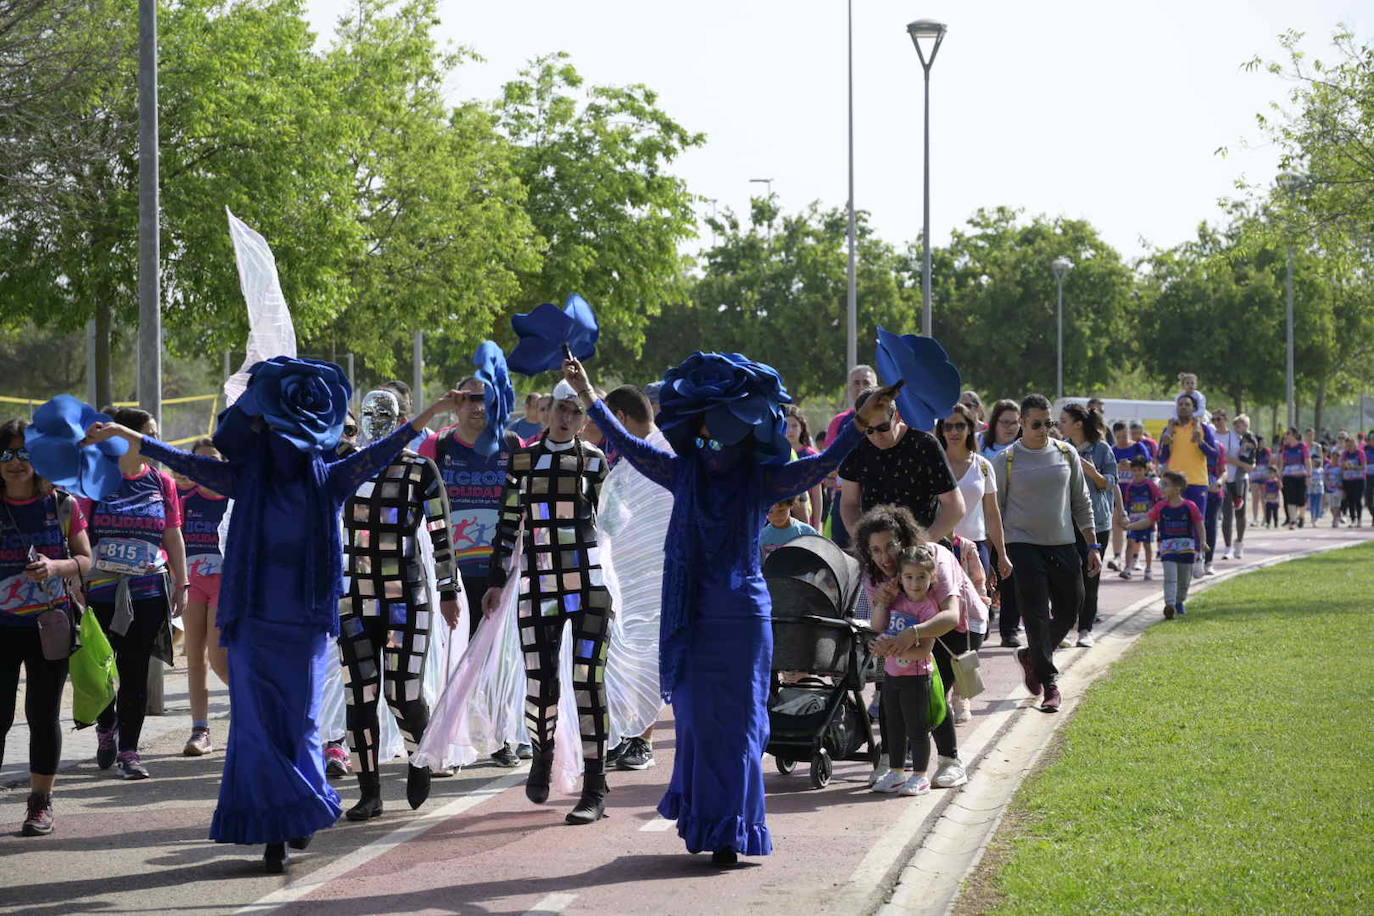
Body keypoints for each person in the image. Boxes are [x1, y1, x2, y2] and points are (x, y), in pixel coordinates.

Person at [86, 360, 462, 873]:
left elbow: (379, 453)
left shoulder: (329, 479)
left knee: (301, 722)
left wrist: (429, 416)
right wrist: (132, 435)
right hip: (250, 621)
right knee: (256, 727)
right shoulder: (246, 479)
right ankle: (274, 829)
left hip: (304, 623)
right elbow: (186, 462)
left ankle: (298, 808)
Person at [566, 352, 893, 866]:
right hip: (693, 616)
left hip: (742, 619)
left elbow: (821, 464)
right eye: (706, 435)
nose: (715, 447)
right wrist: (588, 395)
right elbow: (626, 441)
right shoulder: (681, 473)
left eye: (726, 435)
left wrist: (859, 422)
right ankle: (707, 824)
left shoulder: (759, 482)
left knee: (741, 728)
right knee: (697, 724)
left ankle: (734, 829)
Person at [480, 381, 615, 826]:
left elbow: (612, 522)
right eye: (561, 409)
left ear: (584, 417)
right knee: (540, 682)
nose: (567, 417)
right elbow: (508, 521)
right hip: (538, 583)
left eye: (576, 411)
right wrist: (497, 581)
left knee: (588, 681)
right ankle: (543, 753)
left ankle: (595, 785)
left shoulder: (596, 462)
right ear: (547, 411)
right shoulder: (524, 459)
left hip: (590, 583)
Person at [339, 387, 461, 821]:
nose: (375, 419)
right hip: (353, 598)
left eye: (384, 412)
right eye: (367, 412)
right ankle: (369, 792)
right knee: (360, 697)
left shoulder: (420, 470)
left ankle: (419, 756)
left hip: (405, 598)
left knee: (402, 694)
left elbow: (443, 532)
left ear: (403, 418)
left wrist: (449, 591)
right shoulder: (344, 467)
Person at [79, 406, 188, 780]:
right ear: (124, 436)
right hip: (101, 592)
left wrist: (182, 583)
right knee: (100, 671)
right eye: (149, 433)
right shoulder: (95, 479)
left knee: (135, 669)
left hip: (148, 590)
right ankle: (106, 724)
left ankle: (129, 750)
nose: (155, 441)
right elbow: (77, 535)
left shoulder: (163, 482)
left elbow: (172, 534)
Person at [0, 419, 92, 836]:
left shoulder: (62, 504)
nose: (15, 462)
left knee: (42, 714)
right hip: (2, 627)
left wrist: (56, 566)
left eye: (23, 453)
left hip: (50, 624)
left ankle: (40, 802)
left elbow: (87, 560)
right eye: (5, 454)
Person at [853, 505, 977, 784]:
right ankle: (892, 764)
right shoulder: (873, 575)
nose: (884, 557)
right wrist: (884, 609)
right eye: (875, 550)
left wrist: (914, 634)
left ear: (904, 541)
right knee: (891, 695)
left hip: (952, 631)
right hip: (906, 637)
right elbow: (879, 625)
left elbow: (951, 616)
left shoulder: (932, 560)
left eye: (890, 546)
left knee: (933, 696)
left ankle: (950, 761)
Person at [991, 394, 1099, 714]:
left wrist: (1092, 544)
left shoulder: (1067, 453)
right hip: (1022, 545)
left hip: (1064, 543)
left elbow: (1081, 502)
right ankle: (1050, 683)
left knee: (1071, 608)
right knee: (1036, 613)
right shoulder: (1006, 460)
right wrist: (1000, 553)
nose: (1043, 429)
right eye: (1036, 424)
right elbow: (995, 510)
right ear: (1022, 423)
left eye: (1048, 423)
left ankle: (1032, 656)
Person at [599, 385, 673, 773]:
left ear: (622, 419)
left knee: (647, 656)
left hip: (657, 576)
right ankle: (624, 733)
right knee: (623, 655)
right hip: (627, 574)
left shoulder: (660, 454)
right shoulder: (630, 459)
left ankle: (641, 739)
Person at [839, 388, 964, 542]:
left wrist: (923, 543)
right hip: (878, 551)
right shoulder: (856, 446)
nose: (877, 436)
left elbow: (955, 506)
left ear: (897, 416)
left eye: (883, 427)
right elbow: (849, 504)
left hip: (922, 549)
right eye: (869, 430)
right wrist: (862, 541)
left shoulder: (924, 445)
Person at [868, 545, 941, 797]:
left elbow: (924, 650)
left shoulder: (929, 610)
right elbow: (878, 626)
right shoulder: (896, 601)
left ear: (933, 577)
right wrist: (880, 644)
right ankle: (896, 772)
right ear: (900, 577)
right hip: (891, 676)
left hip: (916, 678)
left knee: (917, 729)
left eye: (922, 576)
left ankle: (920, 776)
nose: (915, 583)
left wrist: (893, 650)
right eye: (909, 577)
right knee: (895, 727)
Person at [178, 438, 231, 757]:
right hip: (192, 582)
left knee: (219, 656)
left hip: (225, 584)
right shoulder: (185, 499)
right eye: (199, 461)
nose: (206, 466)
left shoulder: (234, 499)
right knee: (194, 657)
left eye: (212, 459)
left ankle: (252, 711)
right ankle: (200, 730)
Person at [1060, 403, 1116, 648]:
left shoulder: (1102, 449)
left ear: (1078, 424)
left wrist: (1093, 473)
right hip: (1064, 521)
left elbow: (1110, 484)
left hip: (1097, 523)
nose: (1059, 425)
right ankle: (1063, 628)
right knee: (1067, 578)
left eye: (1064, 420)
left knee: (1090, 576)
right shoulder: (1061, 448)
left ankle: (1085, 630)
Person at [937, 404, 1010, 586]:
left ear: (970, 428)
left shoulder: (983, 466)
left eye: (960, 425)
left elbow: (993, 514)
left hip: (977, 546)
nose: (954, 431)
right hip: (940, 546)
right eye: (948, 426)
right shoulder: (933, 465)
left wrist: (1001, 554)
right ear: (942, 431)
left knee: (978, 608)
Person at [1123, 471, 1205, 619]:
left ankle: (1180, 601)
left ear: (1177, 489)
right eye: (1161, 483)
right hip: (1167, 548)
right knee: (1170, 577)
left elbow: (1199, 524)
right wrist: (1130, 526)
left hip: (1187, 548)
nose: (1161, 487)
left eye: (1165, 484)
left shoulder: (1190, 506)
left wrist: (1203, 542)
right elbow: (1147, 521)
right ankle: (1170, 605)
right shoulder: (1160, 506)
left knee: (1184, 580)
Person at [1158, 393, 1218, 573]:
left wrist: (1201, 443)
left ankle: (1200, 558)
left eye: (1187, 404)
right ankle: (1179, 559)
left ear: (1193, 408)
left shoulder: (1202, 428)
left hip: (1197, 481)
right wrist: (1166, 445)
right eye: (1181, 404)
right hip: (1174, 483)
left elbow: (1214, 455)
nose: (1183, 407)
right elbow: (1161, 457)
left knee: (1198, 521)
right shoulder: (1170, 428)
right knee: (1175, 521)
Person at [824, 365, 879, 548]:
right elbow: (829, 461)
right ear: (849, 387)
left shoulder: (890, 418)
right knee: (844, 553)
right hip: (845, 497)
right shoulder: (839, 422)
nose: (861, 386)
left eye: (866, 382)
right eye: (856, 383)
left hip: (878, 495)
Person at [1216, 412, 1257, 560]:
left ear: (1225, 420)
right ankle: (1228, 548)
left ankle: (1239, 542)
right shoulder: (1213, 436)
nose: (1216, 422)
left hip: (1240, 478)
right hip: (1224, 478)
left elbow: (1251, 453)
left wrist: (1251, 464)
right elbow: (1224, 458)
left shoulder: (1238, 436)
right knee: (1227, 514)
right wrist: (1241, 463)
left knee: (1241, 513)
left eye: (1219, 419)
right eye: (1214, 419)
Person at [1118, 456, 1161, 580]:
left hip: (1147, 521)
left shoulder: (1150, 485)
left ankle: (1148, 569)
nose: (1137, 473)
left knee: (1147, 545)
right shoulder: (1130, 487)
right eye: (1134, 470)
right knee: (1130, 543)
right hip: (1133, 521)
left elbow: (1158, 499)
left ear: (1145, 470)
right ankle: (1127, 568)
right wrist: (1125, 516)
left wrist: (1154, 516)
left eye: (1139, 470)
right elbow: (1127, 502)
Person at [785, 407, 824, 529]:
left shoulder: (811, 455)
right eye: (785, 425)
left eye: (794, 426)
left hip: (805, 519)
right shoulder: (775, 454)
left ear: (802, 427)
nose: (790, 430)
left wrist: (816, 525)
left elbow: (817, 495)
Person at [759, 497, 818, 561]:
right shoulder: (762, 536)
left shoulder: (807, 532)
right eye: (770, 512)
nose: (776, 516)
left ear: (790, 505)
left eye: (781, 510)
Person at [1277, 427, 1311, 528]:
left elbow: (1307, 462)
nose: (1286, 435)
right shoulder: (1285, 448)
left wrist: (1309, 475)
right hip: (1288, 476)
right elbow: (1282, 464)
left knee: (1301, 499)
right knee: (1290, 498)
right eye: (1286, 434)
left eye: (1288, 433)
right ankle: (1292, 520)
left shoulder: (1302, 446)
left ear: (1294, 435)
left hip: (1300, 476)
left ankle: (1301, 517)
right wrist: (1280, 477)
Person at [1340, 434, 1367, 526]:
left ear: (1355, 444)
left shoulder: (1360, 453)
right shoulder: (1345, 454)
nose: (1349, 447)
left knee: (1357, 499)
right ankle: (1353, 519)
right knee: (1350, 500)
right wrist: (1345, 465)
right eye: (1347, 445)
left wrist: (1354, 467)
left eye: (1351, 444)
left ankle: (1359, 519)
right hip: (1348, 480)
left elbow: (1363, 466)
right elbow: (1342, 465)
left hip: (1359, 479)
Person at [1250, 434, 1273, 525]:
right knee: (1255, 497)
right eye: (1261, 442)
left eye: (1264, 442)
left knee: (1264, 497)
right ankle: (1255, 518)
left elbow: (1270, 462)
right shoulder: (1253, 452)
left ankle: (1265, 517)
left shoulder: (1267, 451)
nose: (1263, 444)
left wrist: (1270, 475)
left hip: (1264, 475)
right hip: (1255, 474)